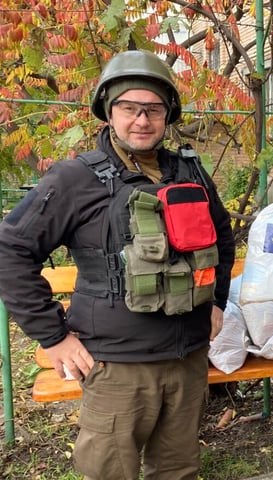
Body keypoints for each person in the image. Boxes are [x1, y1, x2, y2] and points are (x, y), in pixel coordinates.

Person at [0, 49, 235, 478]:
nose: (141, 120)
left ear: (168, 115)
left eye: (153, 109)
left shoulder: (190, 172)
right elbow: (10, 252)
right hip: (116, 366)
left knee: (179, 471)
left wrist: (217, 300)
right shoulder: (74, 179)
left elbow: (220, 238)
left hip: (187, 359)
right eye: (129, 108)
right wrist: (53, 337)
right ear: (109, 112)